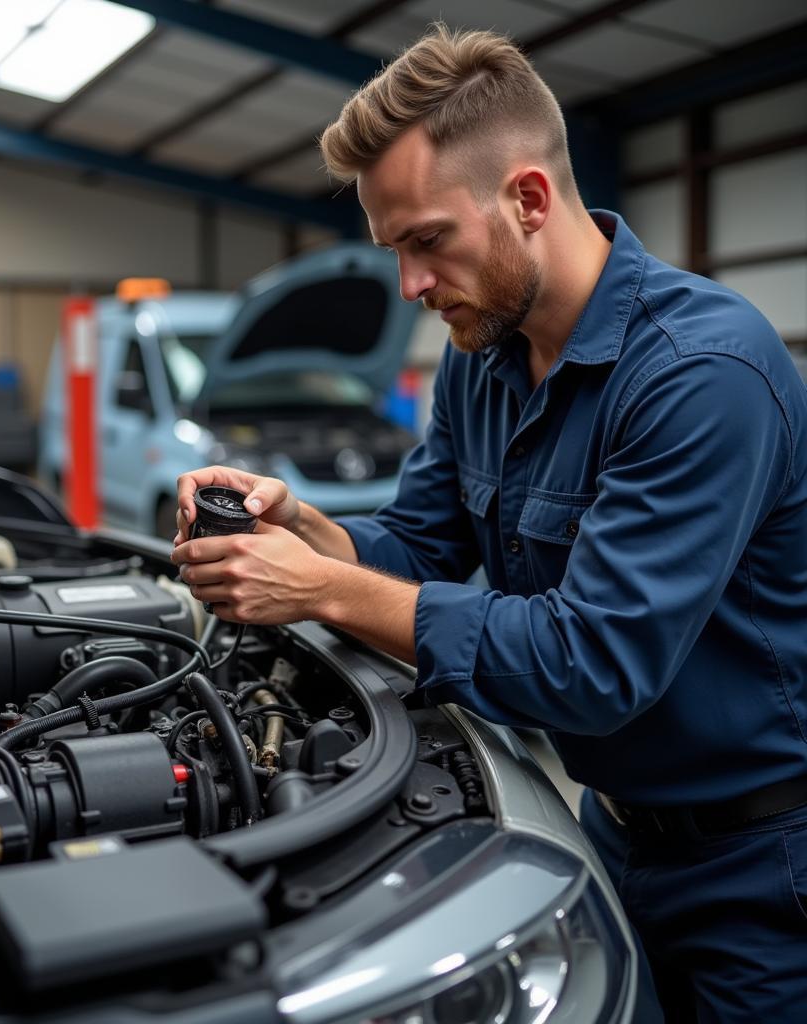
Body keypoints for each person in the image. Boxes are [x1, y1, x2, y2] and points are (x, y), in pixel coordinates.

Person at [170, 25, 807, 1022]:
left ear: (528, 198)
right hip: (608, 828)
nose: (411, 286)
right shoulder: (484, 360)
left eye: (428, 240)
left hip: (758, 873)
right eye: (394, 250)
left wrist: (324, 588)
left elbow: (591, 665)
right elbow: (418, 550)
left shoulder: (698, 374)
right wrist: (305, 529)